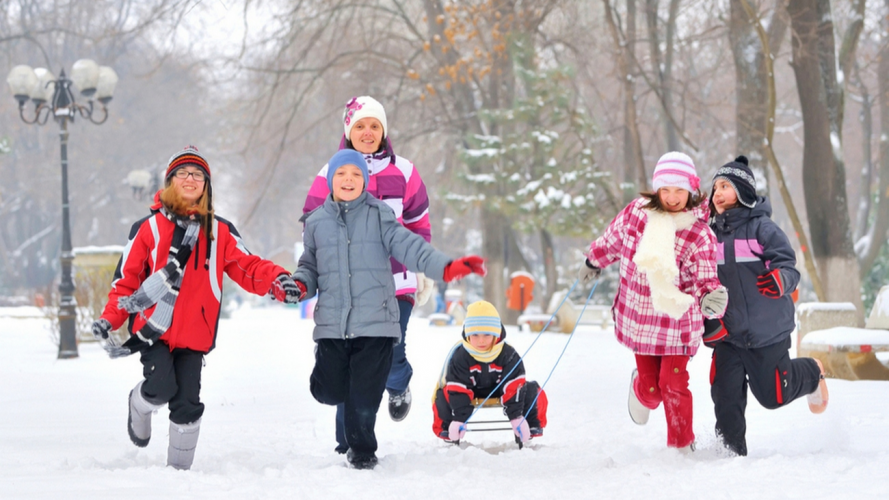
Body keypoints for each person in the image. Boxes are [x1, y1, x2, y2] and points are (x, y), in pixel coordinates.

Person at [90, 146, 301, 470]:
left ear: (207, 185)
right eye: (183, 173)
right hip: (153, 330)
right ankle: (140, 403)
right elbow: (126, 282)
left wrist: (278, 281)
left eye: (198, 174)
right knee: (161, 388)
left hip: (195, 335)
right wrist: (109, 320)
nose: (190, 179)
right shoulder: (148, 228)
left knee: (188, 404)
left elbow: (248, 267)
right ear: (170, 181)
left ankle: (178, 477)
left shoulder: (221, 232)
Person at [292, 149, 486, 469]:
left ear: (365, 181)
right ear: (330, 181)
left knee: (363, 398)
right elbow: (308, 267)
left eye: (356, 174)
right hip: (333, 324)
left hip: (377, 321)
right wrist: (298, 285)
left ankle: (363, 454)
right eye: (341, 174)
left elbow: (409, 246)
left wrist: (446, 268)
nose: (349, 180)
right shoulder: (316, 223)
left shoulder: (379, 214)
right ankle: (342, 400)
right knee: (328, 390)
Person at [302, 95, 433, 452]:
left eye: (375, 125)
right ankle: (348, 441)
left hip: (395, 282)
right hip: (347, 287)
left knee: (390, 352)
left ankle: (399, 381)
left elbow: (418, 222)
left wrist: (421, 268)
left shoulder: (404, 171)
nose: (368, 132)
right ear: (348, 130)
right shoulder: (330, 172)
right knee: (350, 360)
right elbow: (313, 226)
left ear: (383, 130)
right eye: (360, 125)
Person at [578, 151, 728, 452]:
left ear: (691, 191)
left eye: (679, 190)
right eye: (666, 190)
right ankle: (640, 387)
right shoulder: (637, 214)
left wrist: (710, 293)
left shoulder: (698, 233)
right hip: (641, 320)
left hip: (677, 324)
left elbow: (704, 273)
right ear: (657, 189)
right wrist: (593, 260)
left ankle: (682, 447)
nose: (672, 197)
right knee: (652, 391)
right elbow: (612, 239)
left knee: (673, 385)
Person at [704, 155, 828, 457]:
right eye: (715, 187)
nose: (717, 193)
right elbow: (700, 281)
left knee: (774, 396)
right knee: (725, 395)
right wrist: (708, 321)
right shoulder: (708, 235)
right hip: (728, 334)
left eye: (726, 186)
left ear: (743, 191)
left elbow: (788, 265)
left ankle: (811, 373)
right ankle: (729, 453)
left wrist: (779, 279)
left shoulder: (762, 228)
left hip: (765, 331)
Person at [431, 300, 548, 444]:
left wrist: (516, 416)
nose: (481, 341)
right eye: (475, 335)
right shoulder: (460, 356)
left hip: (501, 391)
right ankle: (448, 428)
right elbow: (458, 386)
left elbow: (514, 384)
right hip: (469, 391)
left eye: (487, 335)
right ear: (468, 335)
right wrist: (459, 418)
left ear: (496, 333)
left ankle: (530, 426)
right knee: (443, 393)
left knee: (532, 389)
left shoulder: (508, 354)